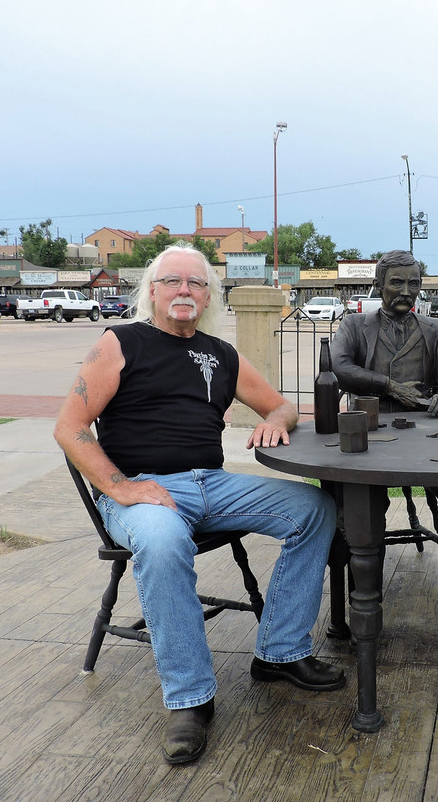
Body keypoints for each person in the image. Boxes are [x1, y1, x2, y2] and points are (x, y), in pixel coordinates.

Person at [54, 244, 344, 766]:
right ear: (153, 289)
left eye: (196, 283)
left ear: (209, 295)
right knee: (164, 542)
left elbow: (279, 402)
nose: (184, 290)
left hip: (212, 482)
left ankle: (280, 651)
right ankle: (191, 698)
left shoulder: (219, 353)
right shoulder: (120, 342)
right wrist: (119, 488)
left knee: (314, 509)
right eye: (173, 281)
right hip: (144, 490)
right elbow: (69, 428)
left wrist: (276, 421)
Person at [330, 250, 438, 637]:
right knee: (355, 498)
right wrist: (389, 387)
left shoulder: (436, 330)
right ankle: (361, 597)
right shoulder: (355, 325)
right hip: (371, 437)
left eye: (413, 283)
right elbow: (339, 368)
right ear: (378, 284)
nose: (406, 291)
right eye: (397, 282)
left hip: (429, 437)